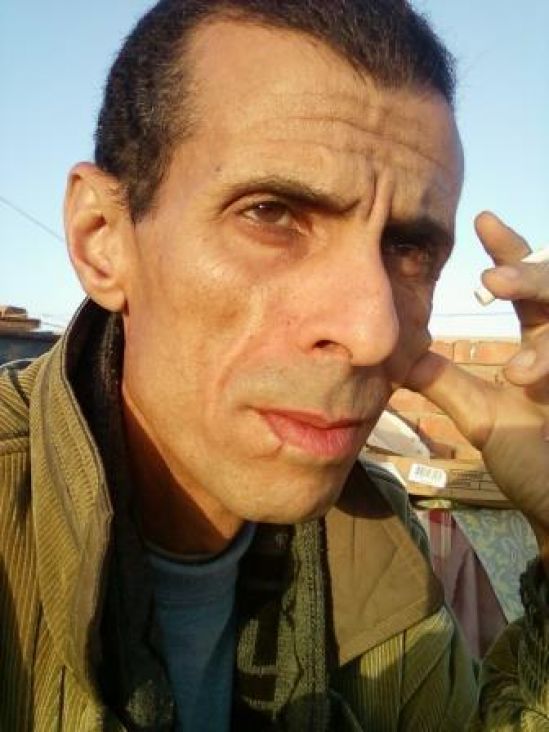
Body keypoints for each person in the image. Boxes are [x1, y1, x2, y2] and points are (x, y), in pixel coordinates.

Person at [1, 1, 547, 729]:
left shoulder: (370, 533)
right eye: (271, 214)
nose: (373, 331)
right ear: (101, 238)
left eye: (408, 248)